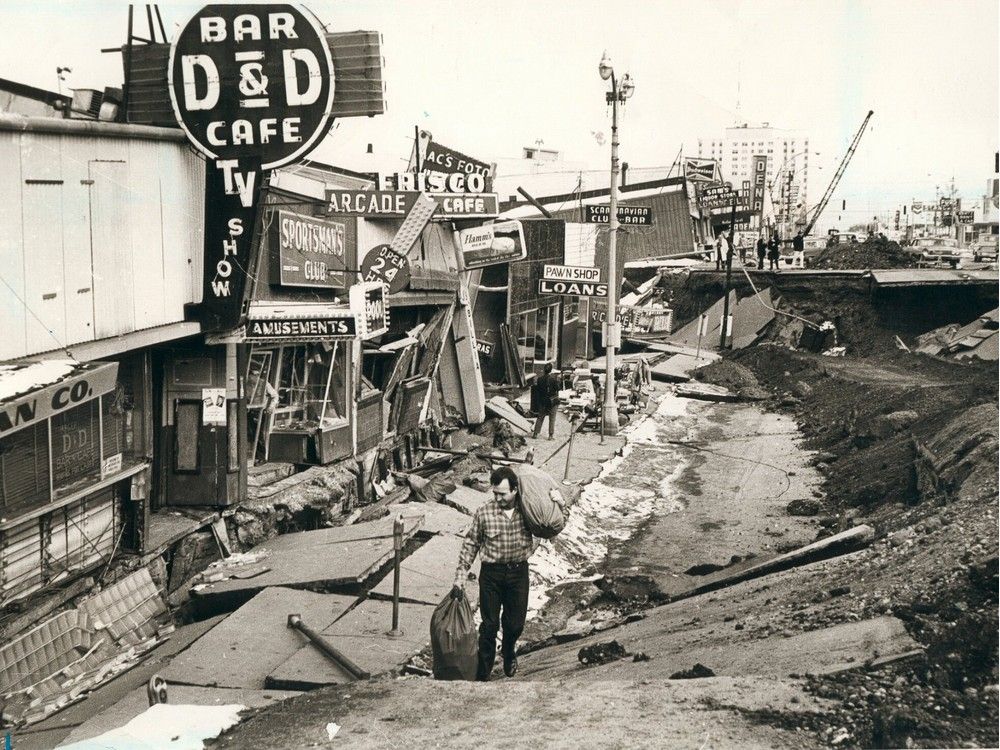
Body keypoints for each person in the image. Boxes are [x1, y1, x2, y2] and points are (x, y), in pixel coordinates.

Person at [451, 466, 567, 681]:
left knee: (515, 624)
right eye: (495, 493)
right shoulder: (484, 512)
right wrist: (459, 578)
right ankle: (483, 673)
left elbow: (557, 522)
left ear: (515, 490)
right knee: (489, 625)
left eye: (503, 494)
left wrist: (559, 502)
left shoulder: (529, 510)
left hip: (518, 574)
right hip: (491, 575)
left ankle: (508, 650)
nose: (498, 498)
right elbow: (470, 544)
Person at [530, 363, 560, 440]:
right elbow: (558, 388)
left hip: (543, 401)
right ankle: (550, 435)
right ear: (551, 370)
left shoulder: (539, 379)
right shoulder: (553, 380)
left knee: (540, 417)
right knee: (552, 418)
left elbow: (538, 390)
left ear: (544, 370)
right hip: (552, 401)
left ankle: (535, 434)